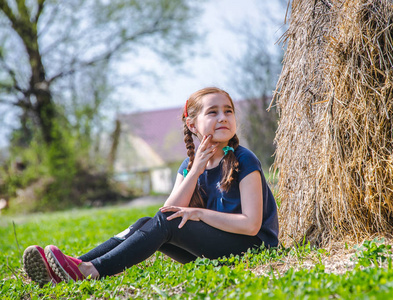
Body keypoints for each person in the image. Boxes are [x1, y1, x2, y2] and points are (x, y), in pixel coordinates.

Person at [23, 87, 279, 285]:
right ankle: (73, 265)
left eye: (228, 111)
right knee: (145, 221)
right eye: (213, 112)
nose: (223, 117)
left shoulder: (244, 159)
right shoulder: (189, 165)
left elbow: (251, 224)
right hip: (216, 249)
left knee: (164, 221)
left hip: (251, 248)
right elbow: (168, 211)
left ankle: (89, 271)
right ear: (192, 125)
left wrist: (198, 213)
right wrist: (196, 169)